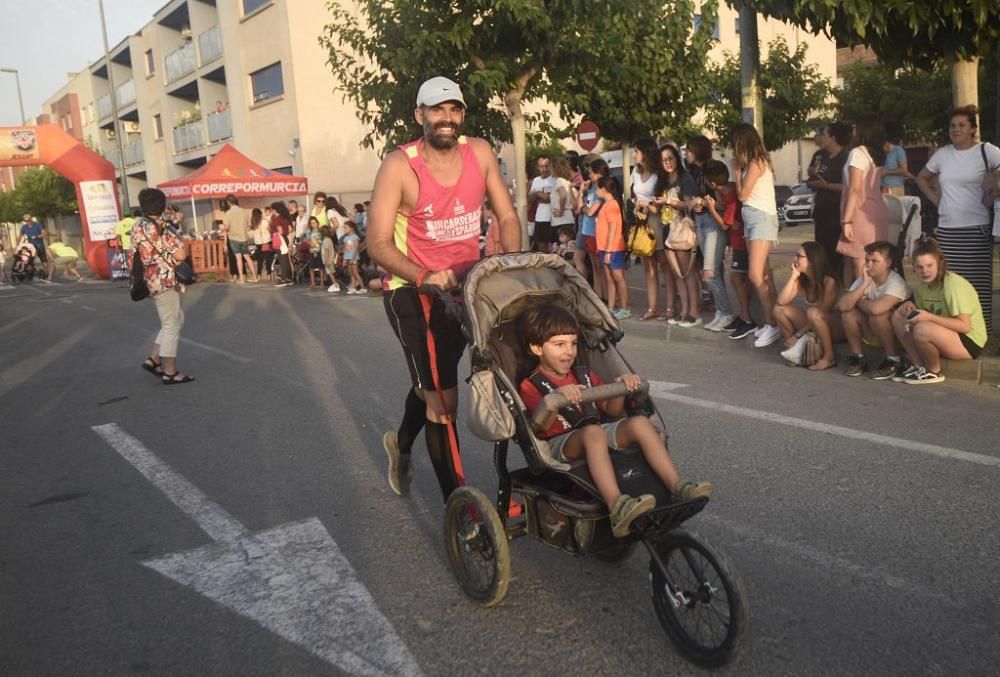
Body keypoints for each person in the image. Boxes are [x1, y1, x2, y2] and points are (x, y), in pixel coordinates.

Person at [368, 75, 520, 501]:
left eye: (454, 109)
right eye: (437, 110)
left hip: (468, 289)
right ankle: (461, 509)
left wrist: (513, 260)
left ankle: (399, 443)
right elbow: (377, 243)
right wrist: (424, 274)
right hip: (413, 292)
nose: (447, 118)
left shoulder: (481, 152)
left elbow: (506, 217)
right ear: (420, 116)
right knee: (443, 403)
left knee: (437, 384)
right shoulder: (400, 165)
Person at [517, 304, 713, 537]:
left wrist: (621, 387)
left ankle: (677, 486)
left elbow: (612, 409)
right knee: (593, 433)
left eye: (572, 343)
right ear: (537, 348)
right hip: (560, 442)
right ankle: (617, 505)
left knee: (639, 424)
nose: (569, 352)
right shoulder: (531, 384)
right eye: (559, 345)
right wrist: (556, 398)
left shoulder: (583, 374)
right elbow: (541, 427)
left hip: (595, 431)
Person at [916, 105, 1000, 333]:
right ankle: (954, 330)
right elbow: (922, 177)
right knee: (950, 282)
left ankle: (982, 332)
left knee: (978, 284)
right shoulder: (943, 154)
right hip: (947, 228)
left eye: (962, 125)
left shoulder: (987, 151)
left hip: (977, 228)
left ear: (973, 129)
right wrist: (937, 201)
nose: (956, 129)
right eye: (953, 125)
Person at [891, 237, 986, 384]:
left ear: (940, 264)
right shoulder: (921, 286)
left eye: (930, 265)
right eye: (920, 267)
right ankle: (919, 366)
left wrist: (928, 317)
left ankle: (934, 371)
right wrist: (912, 307)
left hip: (969, 341)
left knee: (922, 328)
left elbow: (965, 326)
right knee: (898, 316)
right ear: (914, 267)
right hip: (943, 334)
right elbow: (923, 316)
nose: (925, 271)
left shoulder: (953, 284)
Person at [132, 188, 194, 385]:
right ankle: (169, 371)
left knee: (176, 319)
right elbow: (180, 255)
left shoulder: (137, 226)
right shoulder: (164, 227)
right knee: (171, 325)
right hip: (164, 280)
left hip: (148, 279)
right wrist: (183, 242)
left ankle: (154, 359)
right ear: (162, 205)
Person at [731, 124, 781, 347]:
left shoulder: (756, 162)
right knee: (764, 275)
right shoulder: (756, 162)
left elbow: (742, 195)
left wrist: (736, 174)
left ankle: (772, 323)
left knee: (755, 275)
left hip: (760, 218)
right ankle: (776, 319)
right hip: (753, 219)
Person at [839, 241, 911, 379]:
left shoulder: (896, 282)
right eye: (867, 260)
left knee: (878, 316)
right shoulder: (865, 279)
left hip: (898, 336)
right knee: (848, 313)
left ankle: (893, 360)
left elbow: (877, 309)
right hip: (873, 333)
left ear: (888, 262)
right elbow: (843, 305)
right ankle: (858, 358)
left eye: (874, 261)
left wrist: (858, 300)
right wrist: (864, 285)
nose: (868, 265)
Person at [686, 135, 734, 332]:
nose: (686, 153)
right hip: (701, 220)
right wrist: (696, 205)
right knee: (715, 270)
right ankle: (721, 312)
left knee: (709, 273)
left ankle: (726, 312)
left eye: (689, 150)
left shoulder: (712, 169)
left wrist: (703, 203)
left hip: (714, 222)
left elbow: (720, 199)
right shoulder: (694, 172)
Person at [703, 160, 755, 339]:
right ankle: (745, 316)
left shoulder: (731, 196)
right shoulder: (728, 191)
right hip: (738, 242)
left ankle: (748, 320)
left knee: (736, 278)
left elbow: (727, 225)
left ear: (712, 183)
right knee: (738, 279)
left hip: (740, 243)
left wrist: (711, 208)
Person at [774, 241, 843, 371]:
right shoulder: (803, 279)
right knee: (778, 310)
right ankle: (794, 351)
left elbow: (823, 313)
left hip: (836, 327)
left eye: (799, 256)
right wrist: (793, 277)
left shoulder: (829, 281)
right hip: (813, 324)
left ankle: (829, 357)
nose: (795, 259)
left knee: (813, 312)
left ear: (811, 260)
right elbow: (781, 302)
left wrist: (798, 335)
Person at [838, 113, 889, 287]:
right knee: (872, 261)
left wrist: (846, 220)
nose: (853, 129)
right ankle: (852, 303)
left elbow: (854, 189)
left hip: (859, 213)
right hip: (876, 211)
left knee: (861, 263)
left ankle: (861, 305)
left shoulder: (857, 153)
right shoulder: (875, 154)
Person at [654, 144, 698, 326]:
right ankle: (684, 309)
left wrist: (668, 201)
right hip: (667, 229)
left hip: (681, 228)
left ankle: (694, 311)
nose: (667, 163)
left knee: (686, 271)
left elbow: (689, 204)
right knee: (676, 272)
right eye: (664, 160)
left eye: (670, 158)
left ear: (676, 158)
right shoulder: (662, 181)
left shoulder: (685, 178)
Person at [631, 138, 673, 322]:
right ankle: (652, 307)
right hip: (641, 221)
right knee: (648, 266)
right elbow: (634, 194)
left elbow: (659, 203)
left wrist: (647, 205)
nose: (634, 155)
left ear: (645, 153)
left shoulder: (658, 175)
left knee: (664, 264)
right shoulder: (635, 172)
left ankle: (670, 306)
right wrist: (636, 205)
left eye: (636, 151)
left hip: (657, 220)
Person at [806, 122, 849, 271]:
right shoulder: (820, 155)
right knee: (822, 250)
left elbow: (850, 187)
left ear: (832, 137)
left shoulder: (846, 156)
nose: (818, 138)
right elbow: (812, 175)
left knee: (837, 253)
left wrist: (827, 186)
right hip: (822, 209)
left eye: (822, 135)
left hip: (838, 210)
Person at [574, 157, 610, 301]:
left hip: (597, 231)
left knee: (602, 266)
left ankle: (608, 296)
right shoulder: (590, 189)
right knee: (595, 266)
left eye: (591, 171)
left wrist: (584, 208)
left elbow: (590, 211)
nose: (589, 174)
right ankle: (598, 296)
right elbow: (579, 209)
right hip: (587, 230)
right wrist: (582, 192)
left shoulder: (600, 189)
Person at [595, 176, 630, 319]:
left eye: (598, 188)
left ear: (604, 189)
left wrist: (609, 250)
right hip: (604, 247)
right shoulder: (606, 204)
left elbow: (614, 229)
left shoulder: (613, 205)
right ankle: (610, 306)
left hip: (613, 248)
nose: (596, 191)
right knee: (609, 277)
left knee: (618, 277)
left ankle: (625, 307)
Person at [221, 194, 257, 283]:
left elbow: (227, 227)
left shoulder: (228, 213)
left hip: (233, 237)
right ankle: (254, 277)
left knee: (238, 258)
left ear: (228, 202)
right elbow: (249, 225)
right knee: (247, 257)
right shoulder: (244, 211)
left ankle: (241, 278)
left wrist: (222, 227)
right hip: (243, 237)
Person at [528, 155, 557, 252]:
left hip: (553, 218)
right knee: (541, 248)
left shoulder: (555, 180)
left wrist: (541, 196)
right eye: (541, 166)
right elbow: (530, 198)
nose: (544, 169)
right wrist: (537, 193)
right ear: (538, 167)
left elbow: (553, 198)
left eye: (546, 166)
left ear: (551, 166)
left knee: (552, 248)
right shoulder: (536, 180)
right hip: (539, 218)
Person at [20, 213, 53, 282]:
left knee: (43, 260)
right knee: (29, 260)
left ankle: (46, 272)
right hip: (30, 247)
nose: (27, 222)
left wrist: (37, 236)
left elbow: (45, 233)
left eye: (28, 220)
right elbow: (20, 236)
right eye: (26, 221)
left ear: (31, 219)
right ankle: (30, 274)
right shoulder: (24, 227)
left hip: (39, 245)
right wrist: (19, 244)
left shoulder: (38, 225)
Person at [342, 219, 365, 293]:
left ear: (351, 228)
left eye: (346, 227)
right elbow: (345, 249)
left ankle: (363, 288)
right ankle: (353, 287)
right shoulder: (346, 238)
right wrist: (344, 259)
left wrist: (353, 258)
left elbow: (356, 249)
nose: (344, 229)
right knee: (351, 273)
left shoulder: (355, 237)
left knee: (355, 273)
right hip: (348, 258)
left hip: (354, 258)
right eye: (344, 227)